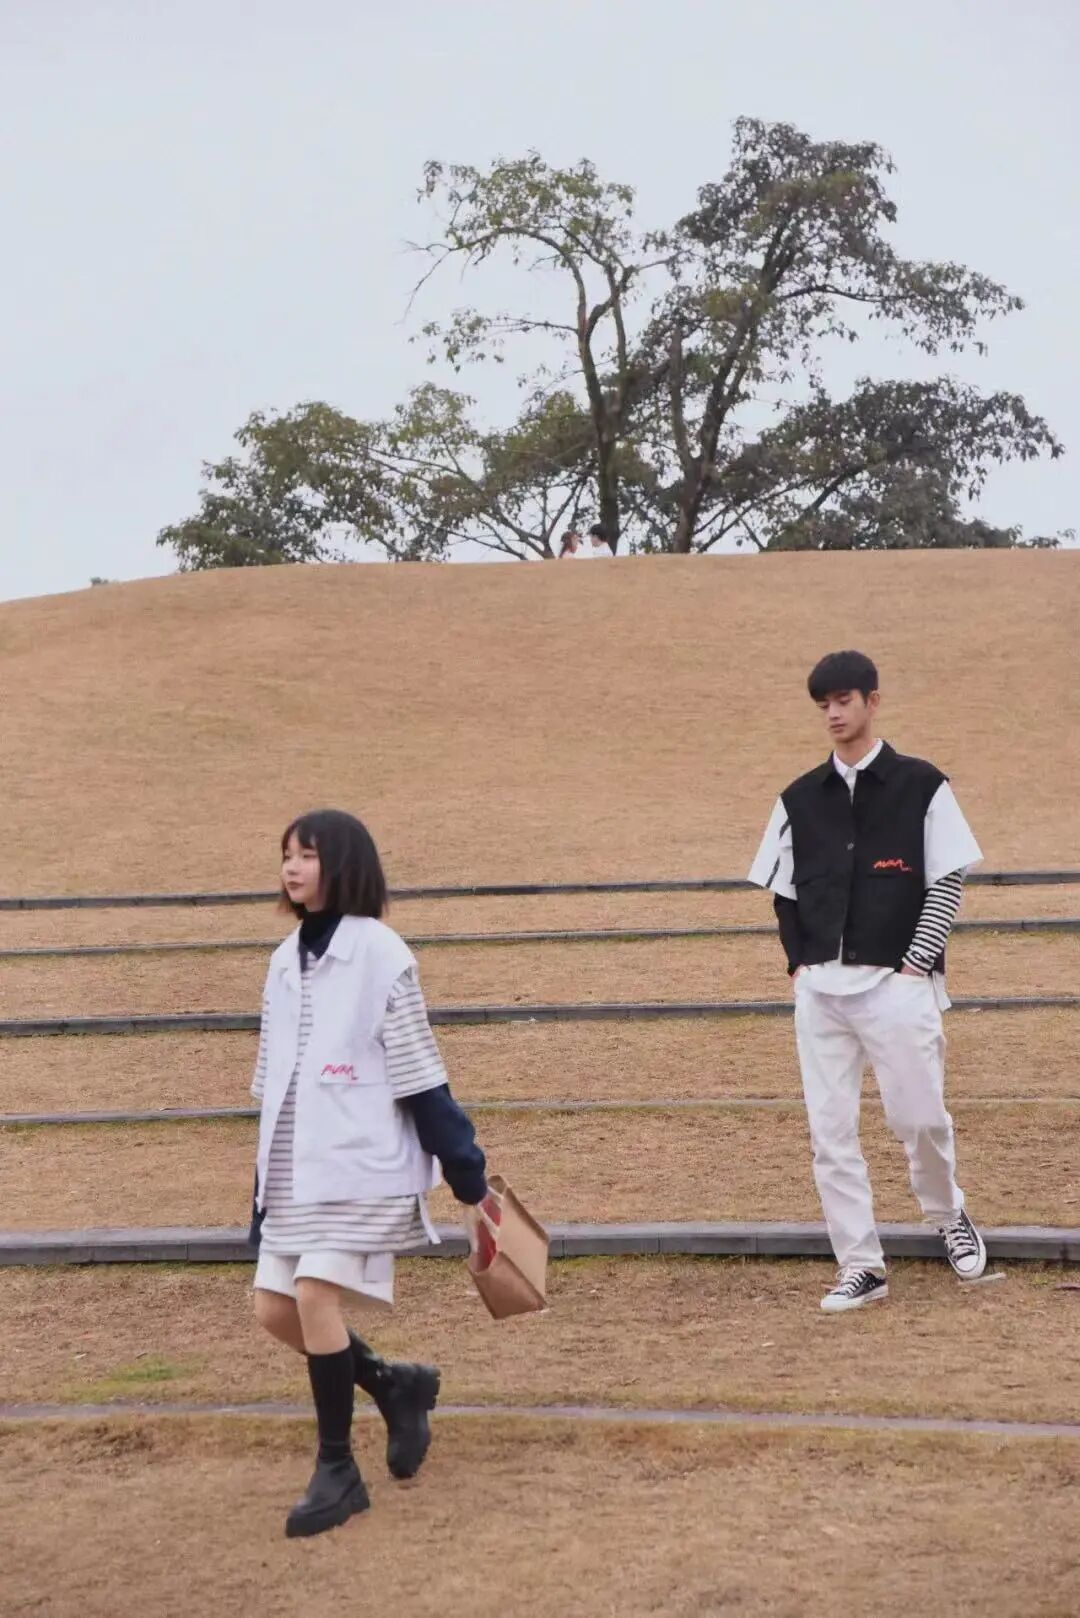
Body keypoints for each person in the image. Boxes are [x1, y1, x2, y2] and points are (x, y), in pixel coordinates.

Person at [249, 808, 497, 1538]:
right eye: (286, 854)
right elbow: (271, 1082)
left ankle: (338, 1470)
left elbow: (421, 1074)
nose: (291, 867)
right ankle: (395, 1384)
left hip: (361, 1164)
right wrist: (260, 1187)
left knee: (314, 1295)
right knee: (274, 1310)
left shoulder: (381, 953)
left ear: (344, 864)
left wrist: (470, 1180)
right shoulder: (283, 960)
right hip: (294, 1167)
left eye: (307, 855)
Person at [747, 650, 987, 1314]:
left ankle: (948, 1213)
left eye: (844, 700)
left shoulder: (922, 785)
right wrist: (798, 964)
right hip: (820, 992)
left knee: (920, 1119)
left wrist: (916, 961)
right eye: (823, 704)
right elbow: (783, 892)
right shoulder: (798, 798)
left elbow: (948, 878)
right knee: (830, 1134)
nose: (833, 713)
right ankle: (860, 1264)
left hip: (897, 985)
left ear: (872, 702)